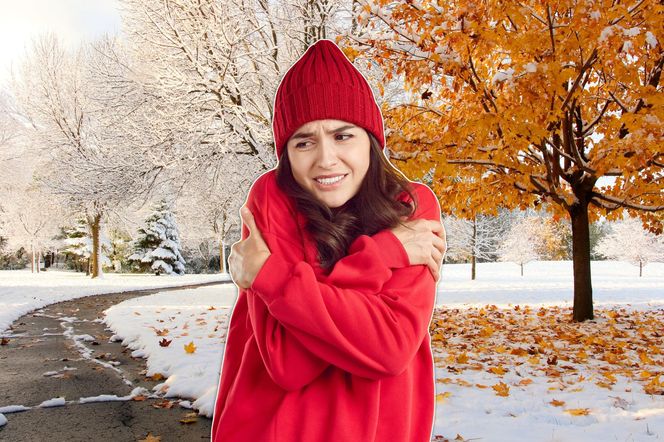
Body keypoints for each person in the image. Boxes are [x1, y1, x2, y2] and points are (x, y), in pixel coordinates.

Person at [211, 39, 447, 442]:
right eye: (304, 142)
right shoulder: (270, 200)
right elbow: (287, 362)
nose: (325, 159)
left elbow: (389, 348)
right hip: (277, 429)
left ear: (370, 140)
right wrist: (384, 254)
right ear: (286, 152)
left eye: (343, 136)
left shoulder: (412, 207)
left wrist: (276, 280)